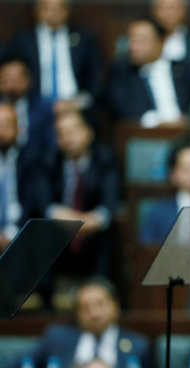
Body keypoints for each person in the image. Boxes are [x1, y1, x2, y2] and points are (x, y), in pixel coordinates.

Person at [0, 279, 152, 368]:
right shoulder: (57, 338)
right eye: (86, 307)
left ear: (116, 306)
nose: (94, 314)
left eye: (100, 304)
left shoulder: (138, 345)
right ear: (77, 313)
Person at [42, 109, 120, 287]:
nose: (68, 138)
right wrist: (65, 217)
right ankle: (46, 296)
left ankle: (100, 287)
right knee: (41, 230)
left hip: (92, 230)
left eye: (73, 130)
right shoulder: (48, 160)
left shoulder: (105, 159)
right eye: (62, 133)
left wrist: (91, 220)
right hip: (59, 228)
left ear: (89, 132)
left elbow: (109, 202)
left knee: (108, 233)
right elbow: (43, 202)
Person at [106, 16, 190, 127]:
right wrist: (158, 122)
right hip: (143, 133)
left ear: (161, 42)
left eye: (141, 40)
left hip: (186, 130)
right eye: (131, 40)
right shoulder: (122, 73)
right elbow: (121, 109)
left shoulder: (184, 68)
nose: (133, 47)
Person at [8, 0, 102, 115]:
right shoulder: (22, 42)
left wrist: (79, 102)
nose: (54, 13)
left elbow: (96, 77)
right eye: (47, 8)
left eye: (59, 8)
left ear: (67, 10)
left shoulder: (84, 39)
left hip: (77, 108)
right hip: (35, 110)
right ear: (37, 11)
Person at [0, 102, 48, 255]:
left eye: (6, 125)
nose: (1, 131)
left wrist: (13, 234)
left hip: (23, 234)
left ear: (18, 128)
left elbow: (35, 203)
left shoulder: (32, 160)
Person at [0, 56, 56, 151]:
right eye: (7, 78)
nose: (12, 84)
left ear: (28, 79)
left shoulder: (44, 109)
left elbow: (51, 145)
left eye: (17, 78)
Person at [151, 0, 190, 71]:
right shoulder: (146, 38)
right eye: (163, 8)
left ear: (184, 9)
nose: (169, 13)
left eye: (173, 8)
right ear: (154, 11)